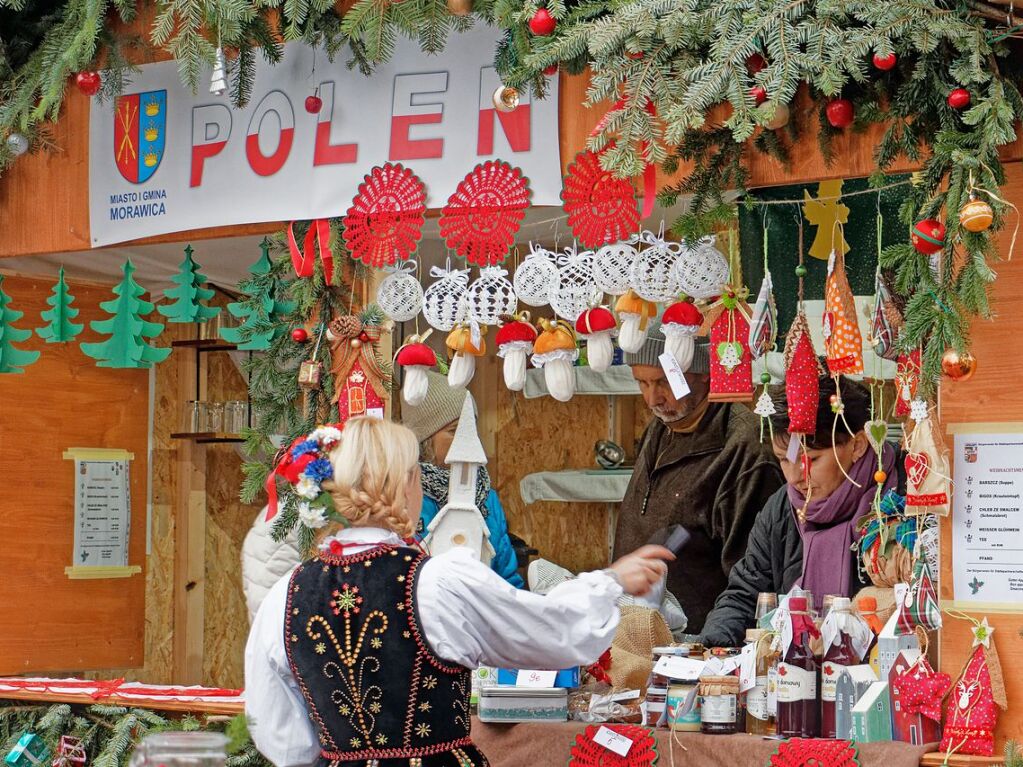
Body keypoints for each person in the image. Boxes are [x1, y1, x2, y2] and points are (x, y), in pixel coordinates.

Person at [245, 417, 673, 767]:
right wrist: (610, 580)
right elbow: (553, 634)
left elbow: (280, 733)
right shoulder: (437, 582)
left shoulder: (287, 593)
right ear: (407, 484)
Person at [700, 375, 900, 647]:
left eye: (811, 460)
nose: (794, 477)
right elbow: (745, 594)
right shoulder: (782, 507)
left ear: (858, 445)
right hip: (794, 677)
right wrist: (713, 642)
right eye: (784, 460)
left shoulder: (903, 497)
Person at [613, 316, 784, 634]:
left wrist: (717, 642)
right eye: (642, 383)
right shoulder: (664, 425)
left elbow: (754, 577)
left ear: (705, 375)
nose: (652, 400)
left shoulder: (745, 450)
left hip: (702, 644)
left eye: (663, 382)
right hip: (641, 633)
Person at [402, 371, 523, 587]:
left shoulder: (486, 496)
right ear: (424, 440)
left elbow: (506, 576)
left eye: (470, 429)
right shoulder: (404, 495)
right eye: (453, 431)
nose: (465, 440)